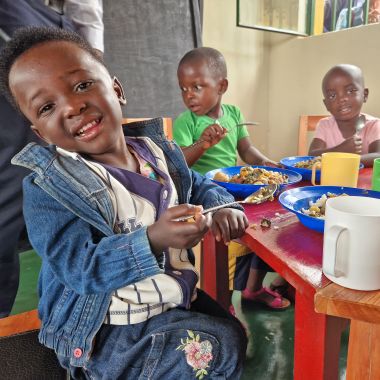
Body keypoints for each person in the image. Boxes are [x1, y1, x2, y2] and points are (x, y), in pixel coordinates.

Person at [0, 26, 248, 379]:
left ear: (116, 90)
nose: (73, 106)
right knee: (219, 347)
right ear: (41, 132)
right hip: (107, 333)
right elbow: (79, 268)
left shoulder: (159, 153)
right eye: (48, 106)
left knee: (230, 328)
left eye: (82, 85)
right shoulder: (50, 188)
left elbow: (199, 185)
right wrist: (151, 240)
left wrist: (222, 205)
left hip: (165, 300)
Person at [0, 0, 103, 318]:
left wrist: (92, 53)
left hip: (59, 24)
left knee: (63, 177)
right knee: (14, 175)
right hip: (21, 16)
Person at [173, 47, 291, 311]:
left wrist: (263, 162)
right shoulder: (186, 121)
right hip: (206, 193)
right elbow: (179, 164)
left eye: (197, 86)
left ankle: (252, 289)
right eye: (183, 88)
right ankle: (223, 303)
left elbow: (246, 150)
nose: (188, 95)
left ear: (221, 85)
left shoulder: (234, 114)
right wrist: (202, 144)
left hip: (236, 187)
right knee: (227, 235)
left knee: (269, 224)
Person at [309, 64, 380, 167]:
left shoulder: (374, 125)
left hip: (363, 182)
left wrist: (346, 158)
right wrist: (341, 150)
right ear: (326, 105)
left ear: (365, 95)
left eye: (350, 91)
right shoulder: (325, 125)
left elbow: (378, 157)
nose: (342, 99)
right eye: (332, 96)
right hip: (330, 181)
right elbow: (311, 156)